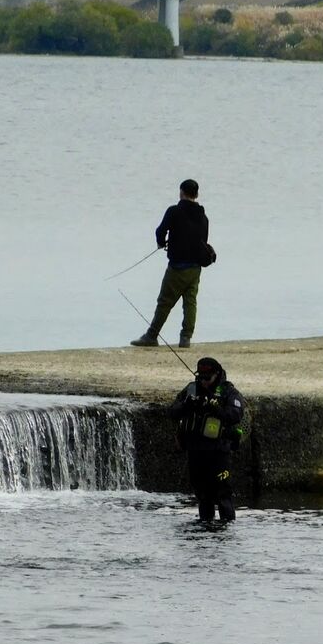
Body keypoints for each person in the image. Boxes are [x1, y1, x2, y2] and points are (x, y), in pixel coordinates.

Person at [131, 179, 210, 349]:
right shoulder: (203, 217)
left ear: (181, 192)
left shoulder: (174, 211)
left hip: (177, 267)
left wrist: (161, 242)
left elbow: (160, 231)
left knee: (165, 302)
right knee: (190, 302)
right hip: (195, 268)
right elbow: (203, 241)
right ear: (196, 195)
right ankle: (185, 338)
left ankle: (151, 336)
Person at [170, 356, 246, 521]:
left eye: (207, 378)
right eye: (200, 378)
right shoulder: (191, 390)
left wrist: (216, 408)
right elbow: (172, 411)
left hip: (219, 452)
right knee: (203, 496)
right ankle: (204, 528)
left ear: (216, 374)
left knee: (222, 495)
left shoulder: (228, 392)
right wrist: (186, 405)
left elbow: (236, 414)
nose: (203, 382)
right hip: (195, 450)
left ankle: (225, 527)